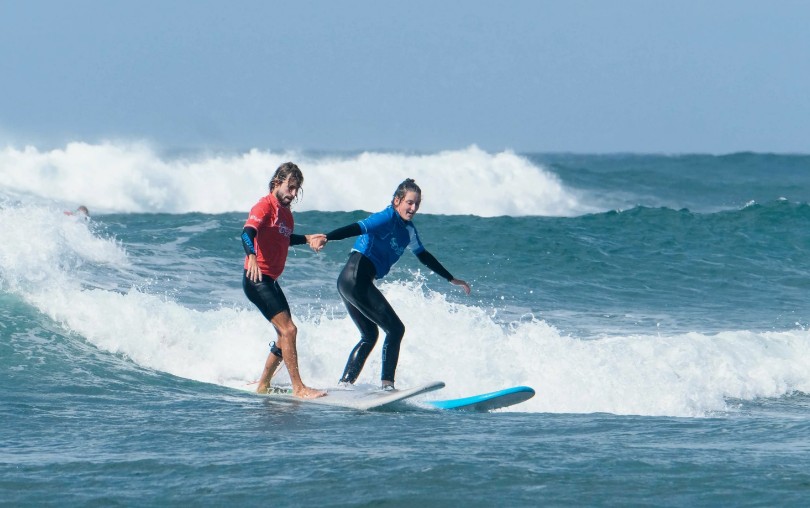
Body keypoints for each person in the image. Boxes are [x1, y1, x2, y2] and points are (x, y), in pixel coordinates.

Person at [311, 178, 471, 390]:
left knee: (370, 335)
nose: (413, 208)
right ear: (397, 201)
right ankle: (387, 385)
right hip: (355, 278)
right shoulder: (386, 217)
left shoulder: (409, 231)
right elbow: (356, 228)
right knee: (395, 329)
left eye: (417, 204)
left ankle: (344, 386)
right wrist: (327, 237)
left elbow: (423, 256)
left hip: (349, 282)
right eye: (409, 203)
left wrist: (451, 279)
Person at [241, 162, 325, 398]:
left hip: (271, 281)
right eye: (290, 187)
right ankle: (299, 388)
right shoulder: (264, 205)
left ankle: (263, 385)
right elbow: (247, 232)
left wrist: (307, 238)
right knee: (289, 330)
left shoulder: (285, 214)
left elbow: (283, 239)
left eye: (297, 189)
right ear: (277, 183)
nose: (294, 193)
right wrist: (252, 257)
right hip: (256, 278)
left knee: (283, 334)